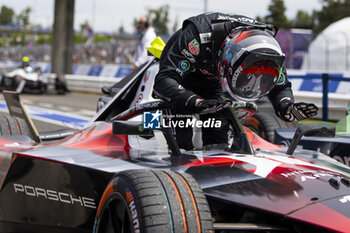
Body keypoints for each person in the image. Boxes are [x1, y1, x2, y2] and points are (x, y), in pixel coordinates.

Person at [153, 12, 318, 150]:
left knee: (218, 137)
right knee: (181, 141)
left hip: (214, 82)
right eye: (248, 78)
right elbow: (163, 80)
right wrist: (192, 101)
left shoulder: (267, 52)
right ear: (230, 59)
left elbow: (281, 86)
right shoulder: (199, 35)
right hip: (182, 76)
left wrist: (286, 106)